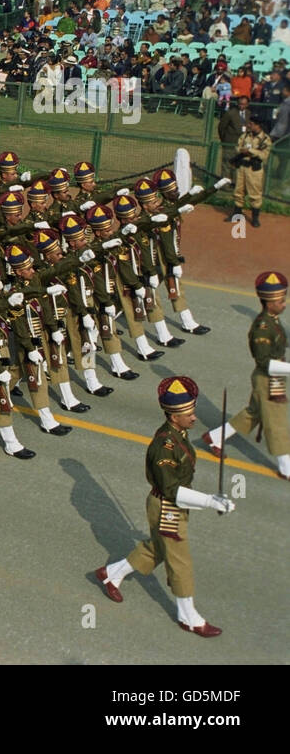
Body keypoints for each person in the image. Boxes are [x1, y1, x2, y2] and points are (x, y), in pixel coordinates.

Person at [94, 376, 234, 637]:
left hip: (172, 504)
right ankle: (188, 616)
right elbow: (172, 490)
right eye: (189, 414)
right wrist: (209, 500)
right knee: (179, 561)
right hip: (167, 506)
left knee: (158, 548)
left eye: (193, 412)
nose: (194, 418)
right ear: (173, 416)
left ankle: (111, 574)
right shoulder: (164, 446)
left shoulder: (179, 434)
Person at [205, 271, 289, 479]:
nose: (284, 303)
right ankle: (286, 466)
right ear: (268, 303)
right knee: (275, 422)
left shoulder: (273, 321)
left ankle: (215, 437)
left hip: (275, 378)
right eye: (280, 300)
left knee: (254, 413)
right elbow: (264, 363)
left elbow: (281, 343)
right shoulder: (261, 327)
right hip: (266, 378)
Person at [227, 115, 272, 227]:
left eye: (251, 124)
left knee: (255, 194)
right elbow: (238, 147)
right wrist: (242, 151)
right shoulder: (245, 135)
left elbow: (264, 155)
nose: (248, 125)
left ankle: (255, 218)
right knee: (238, 191)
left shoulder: (265, 139)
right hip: (242, 167)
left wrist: (250, 151)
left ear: (258, 126)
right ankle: (237, 213)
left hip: (254, 170)